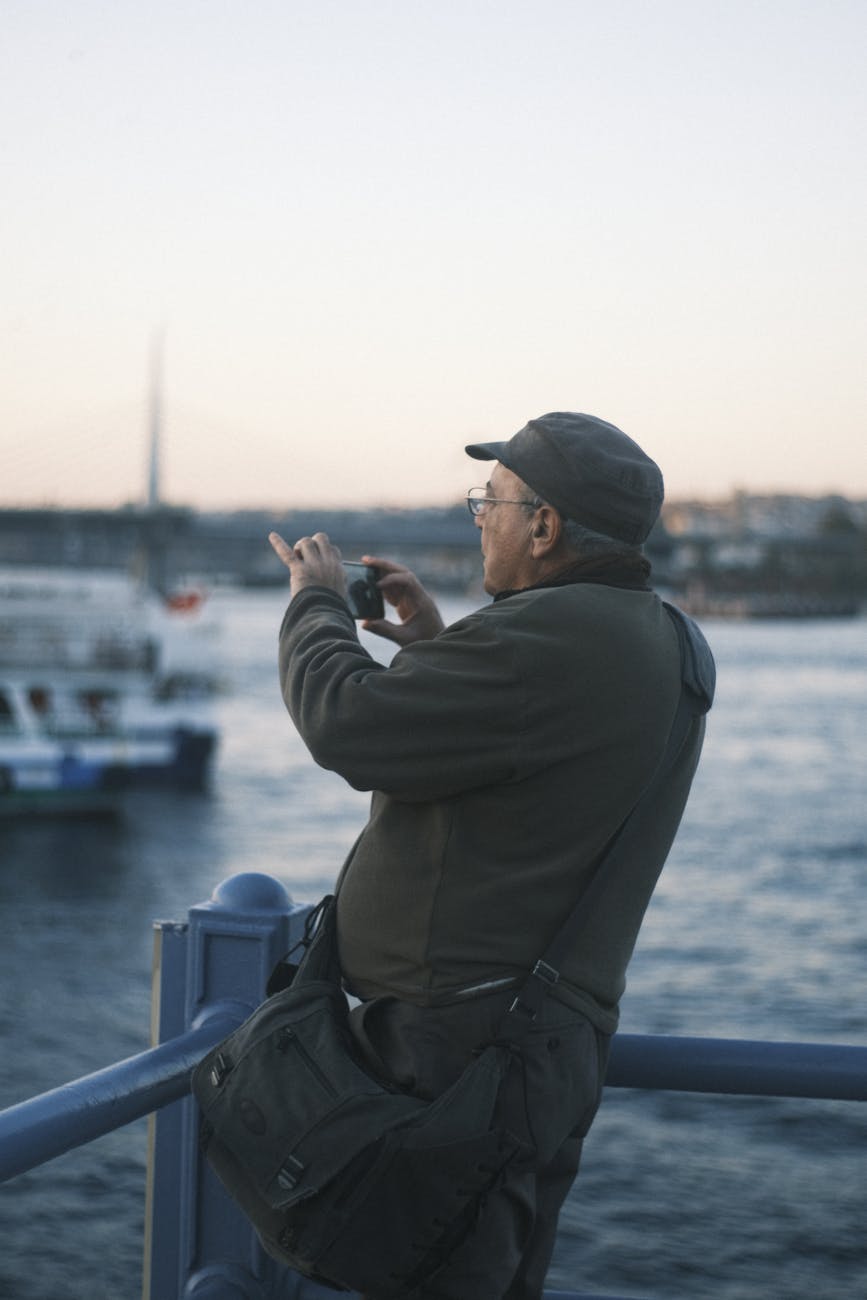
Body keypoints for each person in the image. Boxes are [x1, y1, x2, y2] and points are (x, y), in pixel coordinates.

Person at [268, 411, 714, 1300]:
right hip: (547, 1043)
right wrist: (438, 648)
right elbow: (535, 772)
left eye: (492, 501)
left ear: (543, 527)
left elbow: (346, 726)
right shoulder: (662, 637)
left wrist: (316, 603)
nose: (479, 517)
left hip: (457, 1052)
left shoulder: (532, 644)